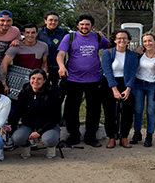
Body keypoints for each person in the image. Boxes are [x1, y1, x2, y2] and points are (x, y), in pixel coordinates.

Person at [57, 14, 109, 147]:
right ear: (77, 25)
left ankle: (90, 136)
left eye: (87, 24)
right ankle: (73, 135)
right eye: (82, 24)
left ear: (91, 26)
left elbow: (111, 46)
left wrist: (104, 38)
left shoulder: (97, 37)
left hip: (94, 79)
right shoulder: (70, 37)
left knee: (94, 109)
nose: (84, 27)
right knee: (71, 108)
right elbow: (61, 54)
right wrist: (62, 67)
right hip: (73, 79)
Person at [10, 69, 61, 159]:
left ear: (45, 80)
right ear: (29, 79)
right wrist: (11, 126)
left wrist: (39, 131)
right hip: (29, 124)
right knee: (17, 138)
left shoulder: (53, 93)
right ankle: (26, 146)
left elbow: (55, 116)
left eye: (39, 79)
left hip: (48, 125)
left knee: (49, 139)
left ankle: (51, 146)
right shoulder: (24, 92)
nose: (35, 81)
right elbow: (18, 112)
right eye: (33, 78)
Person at [130, 32, 155, 147]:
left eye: (150, 41)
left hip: (152, 85)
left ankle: (149, 135)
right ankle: (137, 133)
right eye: (145, 41)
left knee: (151, 111)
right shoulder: (139, 54)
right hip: (139, 84)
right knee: (138, 110)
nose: (148, 43)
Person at [101, 29, 138, 149]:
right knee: (110, 112)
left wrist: (128, 89)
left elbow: (133, 72)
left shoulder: (132, 54)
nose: (122, 40)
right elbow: (107, 71)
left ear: (128, 40)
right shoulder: (108, 52)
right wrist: (114, 89)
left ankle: (124, 137)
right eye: (119, 38)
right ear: (115, 40)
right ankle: (111, 137)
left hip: (126, 83)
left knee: (127, 112)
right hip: (110, 84)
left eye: (124, 38)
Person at [0, 24, 49, 94]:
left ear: (37, 33)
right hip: (19, 79)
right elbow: (4, 64)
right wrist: (3, 83)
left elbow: (44, 63)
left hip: (35, 80)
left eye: (33, 32)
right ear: (23, 33)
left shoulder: (43, 46)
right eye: (28, 32)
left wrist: (44, 76)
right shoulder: (16, 46)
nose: (30, 35)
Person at [38, 11, 67, 86]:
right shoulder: (38, 33)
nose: (53, 22)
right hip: (41, 67)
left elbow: (79, 36)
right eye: (50, 20)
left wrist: (96, 34)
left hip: (58, 67)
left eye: (56, 20)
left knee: (58, 91)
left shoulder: (63, 33)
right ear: (45, 21)